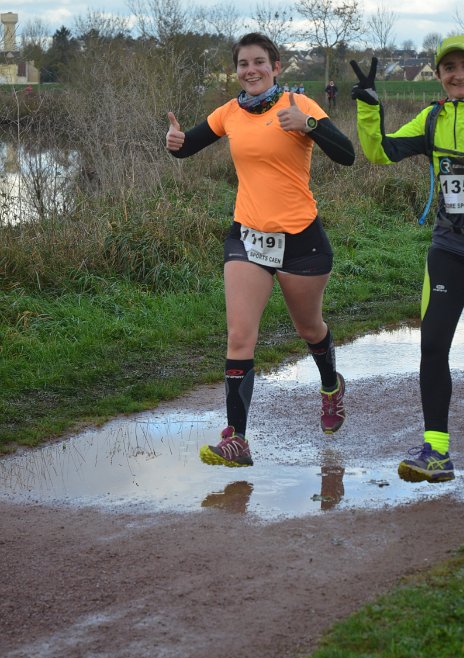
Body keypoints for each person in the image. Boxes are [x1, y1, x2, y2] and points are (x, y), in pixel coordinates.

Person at [166, 32, 355, 468]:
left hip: (301, 241)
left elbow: (346, 155)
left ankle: (331, 385)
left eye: (258, 62)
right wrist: (175, 142)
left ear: (275, 67)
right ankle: (238, 439)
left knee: (309, 329)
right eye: (243, 64)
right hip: (247, 238)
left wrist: (310, 125)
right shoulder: (229, 112)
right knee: (239, 336)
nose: (250, 70)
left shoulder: (299, 105)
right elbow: (187, 146)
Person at [350, 35, 464, 483]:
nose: (459, 74)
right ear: (439, 75)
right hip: (451, 247)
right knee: (433, 345)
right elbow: (379, 152)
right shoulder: (432, 118)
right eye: (449, 68)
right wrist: (369, 107)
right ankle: (436, 452)